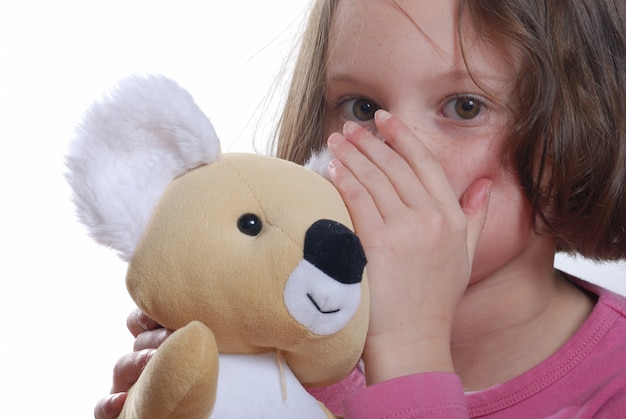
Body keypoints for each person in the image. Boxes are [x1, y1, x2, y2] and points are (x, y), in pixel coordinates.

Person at [94, 0, 626, 417]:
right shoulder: (284, 337)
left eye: (465, 107)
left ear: (574, 132)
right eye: (362, 107)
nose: (389, 148)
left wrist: (408, 350)